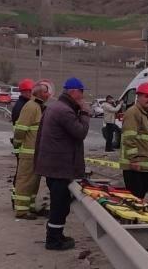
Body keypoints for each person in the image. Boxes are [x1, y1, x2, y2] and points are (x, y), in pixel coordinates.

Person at [34, 77, 90, 251]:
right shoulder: (64, 111)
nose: (82, 97)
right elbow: (80, 132)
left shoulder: (55, 107)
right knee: (59, 205)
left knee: (60, 204)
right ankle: (54, 240)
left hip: (53, 166)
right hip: (59, 167)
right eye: (81, 92)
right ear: (73, 92)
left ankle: (56, 235)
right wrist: (85, 113)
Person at [11, 81, 51, 219]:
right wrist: (18, 144)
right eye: (45, 91)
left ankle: (31, 207)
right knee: (25, 182)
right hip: (28, 152)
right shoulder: (31, 107)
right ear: (39, 93)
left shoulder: (38, 107)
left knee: (33, 183)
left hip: (36, 153)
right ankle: (21, 211)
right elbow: (20, 130)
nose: (48, 94)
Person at [121, 82, 148, 199]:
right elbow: (129, 138)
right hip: (134, 166)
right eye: (147, 96)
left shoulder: (146, 113)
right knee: (135, 200)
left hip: (143, 166)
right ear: (139, 96)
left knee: (139, 198)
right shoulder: (133, 112)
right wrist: (134, 160)